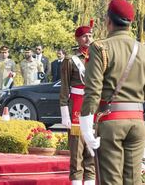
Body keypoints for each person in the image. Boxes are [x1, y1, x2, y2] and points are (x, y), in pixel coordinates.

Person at [80, 0, 145, 185]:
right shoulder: (142, 49)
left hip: (111, 120)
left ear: (108, 21)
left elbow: (93, 90)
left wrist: (85, 124)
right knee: (133, 180)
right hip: (137, 121)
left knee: (111, 181)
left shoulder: (100, 47)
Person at [59, 25, 95, 185]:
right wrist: (65, 114)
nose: (88, 39)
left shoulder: (97, 58)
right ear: (77, 38)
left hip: (93, 108)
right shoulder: (70, 60)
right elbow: (64, 89)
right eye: (84, 36)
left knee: (92, 152)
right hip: (76, 110)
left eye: (90, 35)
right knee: (76, 153)